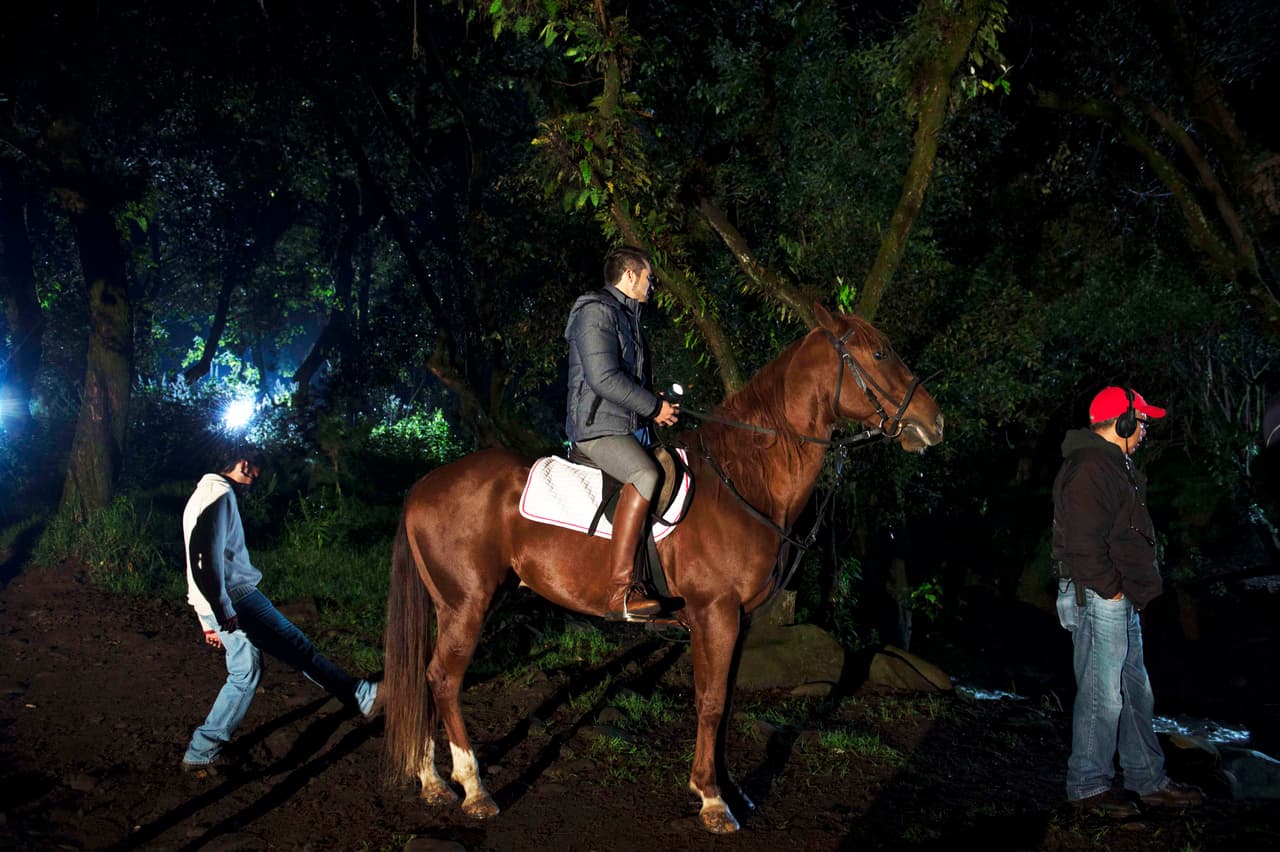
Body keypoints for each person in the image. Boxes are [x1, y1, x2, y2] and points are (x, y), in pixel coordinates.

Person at [1051, 386, 1204, 816]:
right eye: (1143, 423)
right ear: (1122, 421)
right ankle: (1088, 786)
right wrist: (1112, 589)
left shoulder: (1113, 464)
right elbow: (1082, 544)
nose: (1145, 431)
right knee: (1104, 695)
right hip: (1100, 596)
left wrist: (1126, 591)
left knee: (1135, 692)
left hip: (1118, 597)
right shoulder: (1089, 467)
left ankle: (1146, 779)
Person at [181, 448, 378, 774]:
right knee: (292, 647)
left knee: (247, 670)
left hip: (218, 600)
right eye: (255, 476)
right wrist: (221, 608)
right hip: (236, 598)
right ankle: (361, 694)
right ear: (244, 466)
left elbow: (193, 557)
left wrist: (206, 618)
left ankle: (203, 750)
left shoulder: (202, 493)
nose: (253, 483)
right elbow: (203, 558)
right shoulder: (220, 494)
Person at [565, 246, 680, 620]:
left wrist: (653, 404)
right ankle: (620, 592)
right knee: (645, 474)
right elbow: (603, 379)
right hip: (596, 428)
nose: (652, 286)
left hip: (625, 423)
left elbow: (629, 381)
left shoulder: (626, 316)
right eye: (649, 278)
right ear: (629, 275)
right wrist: (651, 406)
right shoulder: (596, 310)